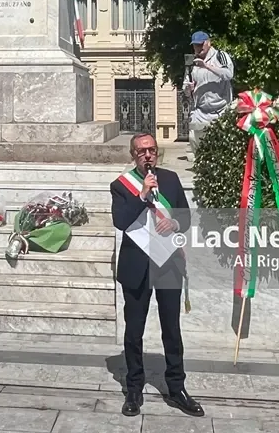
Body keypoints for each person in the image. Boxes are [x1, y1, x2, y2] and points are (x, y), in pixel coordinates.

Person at [110, 132, 204, 418]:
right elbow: (121, 221)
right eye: (141, 151)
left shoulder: (171, 180)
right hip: (137, 266)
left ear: (157, 153)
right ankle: (134, 388)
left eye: (151, 150)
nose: (148, 155)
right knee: (134, 331)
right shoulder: (121, 186)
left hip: (167, 264)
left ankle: (176, 388)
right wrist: (141, 195)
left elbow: (185, 217)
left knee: (171, 330)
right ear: (133, 155)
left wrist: (174, 222)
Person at [184, 30, 234, 153]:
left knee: (221, 148)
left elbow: (229, 74)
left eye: (201, 44)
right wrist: (188, 89)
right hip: (200, 112)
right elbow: (185, 89)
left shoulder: (220, 56)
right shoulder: (191, 64)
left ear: (208, 43)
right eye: (195, 45)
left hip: (221, 111)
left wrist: (206, 66)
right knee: (195, 141)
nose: (198, 48)